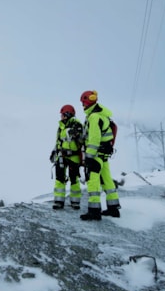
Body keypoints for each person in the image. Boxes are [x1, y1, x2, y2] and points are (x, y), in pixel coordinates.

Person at [78, 90, 120, 221]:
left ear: (87, 102)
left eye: (83, 103)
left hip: (96, 155)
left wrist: (89, 157)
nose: (82, 106)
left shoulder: (94, 117)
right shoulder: (101, 115)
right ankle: (113, 209)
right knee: (107, 180)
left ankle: (94, 211)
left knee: (93, 181)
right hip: (103, 154)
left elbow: (94, 138)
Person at [50, 104, 84, 210]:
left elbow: (82, 140)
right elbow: (58, 141)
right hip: (61, 156)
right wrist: (54, 151)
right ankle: (59, 201)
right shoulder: (61, 127)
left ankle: (75, 202)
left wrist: (76, 134)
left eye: (63, 115)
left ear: (68, 114)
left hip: (73, 157)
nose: (61, 117)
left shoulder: (77, 125)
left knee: (74, 179)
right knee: (59, 178)